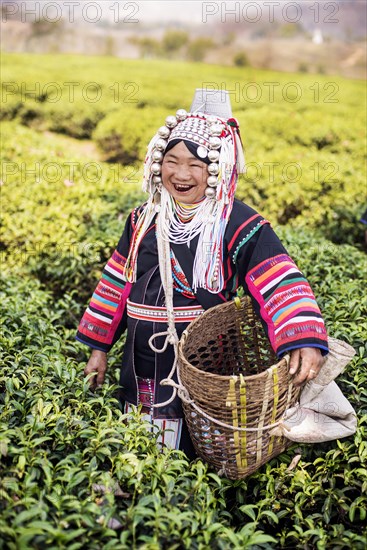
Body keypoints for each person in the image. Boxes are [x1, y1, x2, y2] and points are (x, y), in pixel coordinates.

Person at [76, 89, 328, 457]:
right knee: (134, 434)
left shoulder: (238, 223)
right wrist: (98, 348)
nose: (180, 174)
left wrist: (302, 335)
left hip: (201, 357)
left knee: (191, 442)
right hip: (139, 355)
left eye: (196, 164)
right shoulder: (142, 218)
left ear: (217, 169)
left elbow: (278, 279)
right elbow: (117, 282)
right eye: (172, 160)